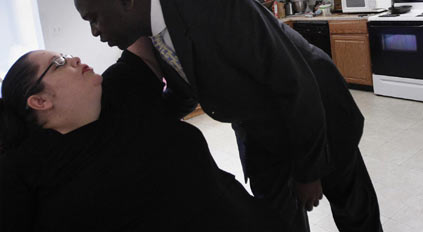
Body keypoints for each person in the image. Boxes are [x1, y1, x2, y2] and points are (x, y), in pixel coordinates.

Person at [74, 0, 383, 232]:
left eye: (94, 18)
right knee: (277, 219)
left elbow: (295, 85)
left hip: (318, 117)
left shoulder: (222, 5)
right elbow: (184, 91)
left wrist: (308, 171)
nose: (95, 32)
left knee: (354, 211)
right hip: (260, 132)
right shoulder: (151, 37)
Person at [0, 43, 285, 231]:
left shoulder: (119, 91)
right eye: (59, 63)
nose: (73, 58)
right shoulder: (40, 176)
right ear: (39, 101)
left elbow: (140, 39)